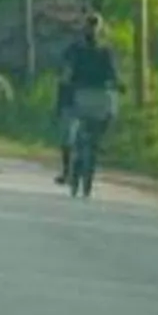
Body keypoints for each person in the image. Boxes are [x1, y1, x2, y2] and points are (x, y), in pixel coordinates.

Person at [54, 11, 120, 190]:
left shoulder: (92, 50)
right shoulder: (91, 50)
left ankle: (69, 169)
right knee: (70, 134)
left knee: (72, 133)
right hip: (85, 97)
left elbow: (65, 73)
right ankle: (69, 168)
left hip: (86, 96)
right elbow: (114, 76)